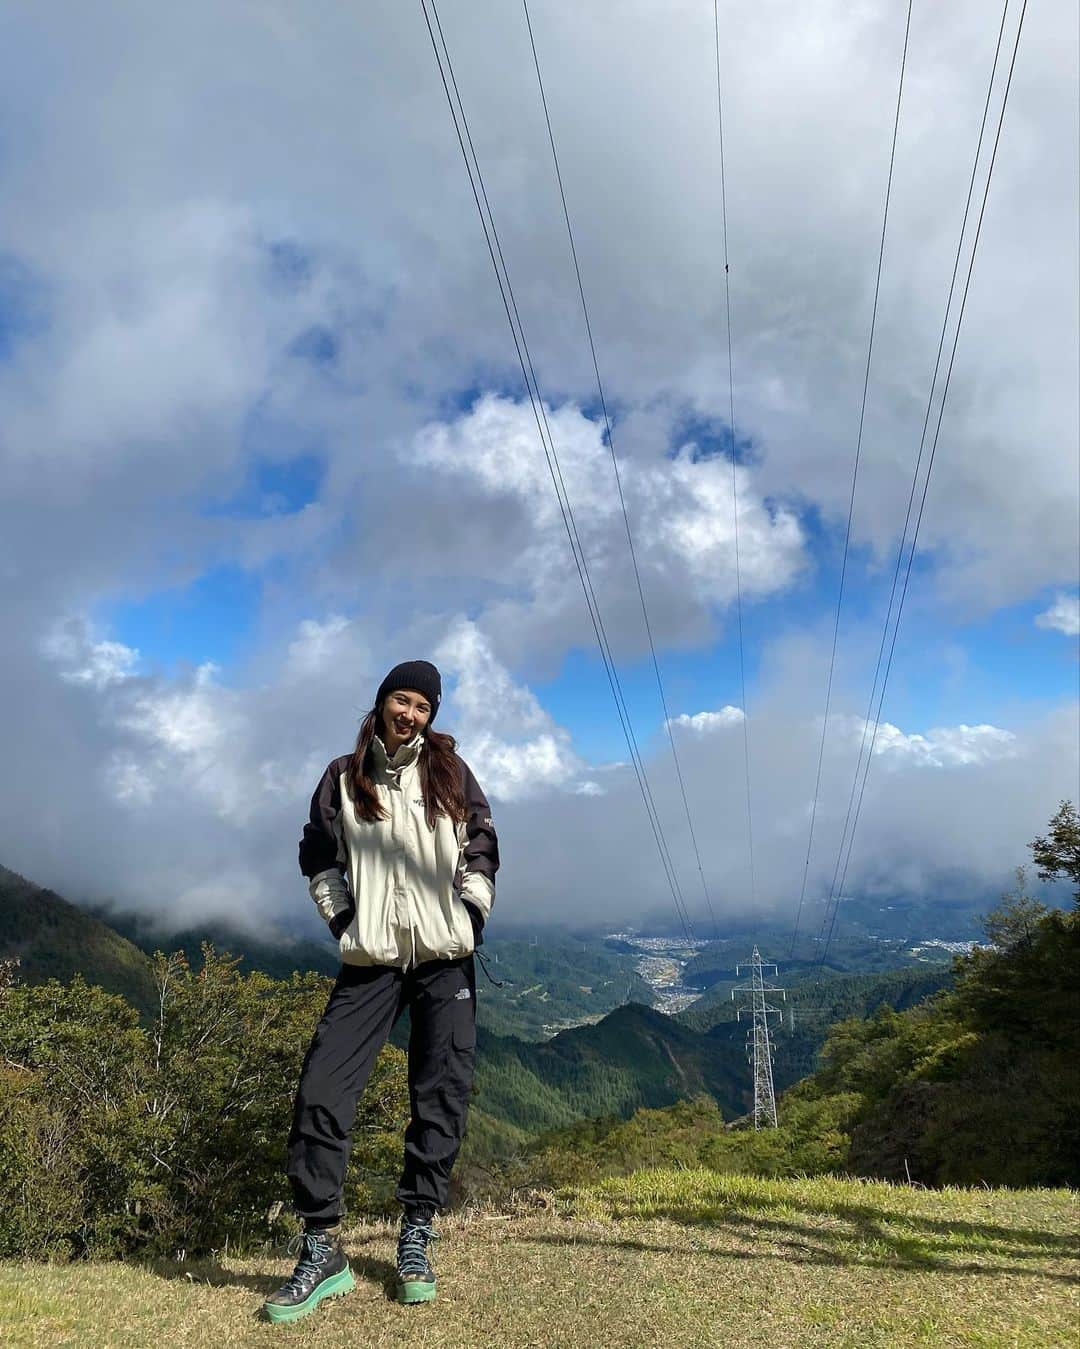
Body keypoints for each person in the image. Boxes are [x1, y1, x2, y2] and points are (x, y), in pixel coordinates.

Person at [263, 660, 499, 1324]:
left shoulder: (451, 772)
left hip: (444, 958)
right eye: (404, 698)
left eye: (424, 705)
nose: (412, 713)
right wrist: (343, 919)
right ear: (382, 700)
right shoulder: (343, 776)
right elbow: (318, 855)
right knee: (320, 1091)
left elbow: (482, 842)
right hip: (371, 957)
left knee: (440, 1092)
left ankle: (416, 1232)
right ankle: (320, 1249)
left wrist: (470, 915)